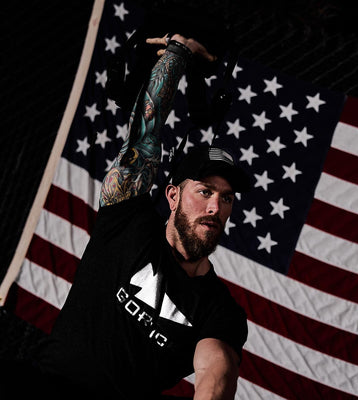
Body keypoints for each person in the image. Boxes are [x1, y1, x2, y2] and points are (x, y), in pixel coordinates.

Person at [3, 34, 250, 400]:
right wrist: (177, 55)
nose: (216, 207)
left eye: (226, 198)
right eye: (205, 192)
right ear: (172, 195)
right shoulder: (127, 222)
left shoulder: (220, 311)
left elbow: (216, 369)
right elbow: (144, 136)